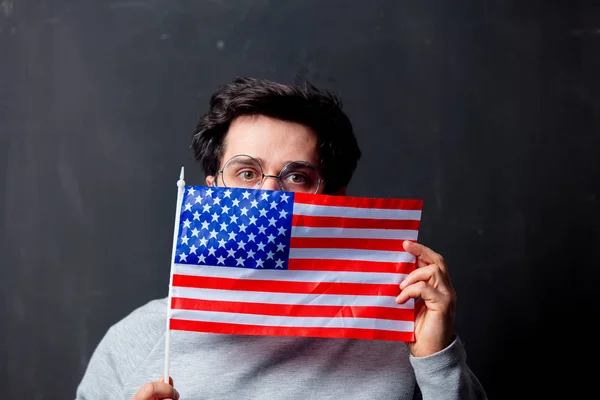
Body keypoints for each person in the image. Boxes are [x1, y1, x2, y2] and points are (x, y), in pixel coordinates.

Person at [75, 77, 487, 400]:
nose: (269, 195)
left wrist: (437, 355)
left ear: (334, 201)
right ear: (211, 189)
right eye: (247, 173)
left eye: (297, 177)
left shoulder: (398, 333)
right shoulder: (139, 339)